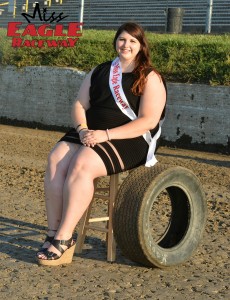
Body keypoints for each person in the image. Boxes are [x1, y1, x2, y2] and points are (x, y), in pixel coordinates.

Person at [36, 22, 167, 266]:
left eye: (132, 41)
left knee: (82, 163)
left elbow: (148, 121)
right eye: (122, 39)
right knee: (56, 158)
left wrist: (105, 135)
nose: (126, 45)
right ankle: (52, 232)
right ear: (115, 42)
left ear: (141, 46)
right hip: (91, 132)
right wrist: (83, 130)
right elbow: (79, 105)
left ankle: (65, 239)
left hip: (130, 138)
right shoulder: (100, 70)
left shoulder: (150, 76)